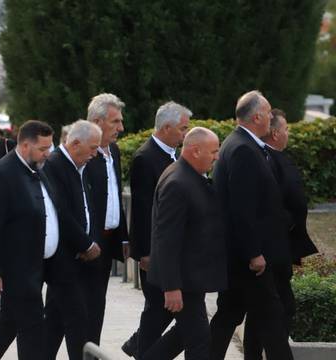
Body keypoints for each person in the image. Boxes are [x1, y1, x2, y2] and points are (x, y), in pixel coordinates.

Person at [209, 90, 294, 360]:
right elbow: (241, 209)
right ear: (257, 116)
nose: (271, 117)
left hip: (240, 257)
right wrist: (254, 253)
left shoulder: (240, 144)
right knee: (272, 318)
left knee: (228, 315)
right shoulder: (244, 150)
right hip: (249, 260)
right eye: (268, 112)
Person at [0, 120, 60, 360]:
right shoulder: (2, 174)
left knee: (8, 325)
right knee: (33, 328)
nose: (48, 154)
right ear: (25, 146)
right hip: (16, 268)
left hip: (36, 265)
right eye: (43, 149)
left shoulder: (36, 168)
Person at [141, 127, 227, 360]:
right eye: (213, 151)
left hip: (191, 278)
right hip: (182, 280)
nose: (217, 157)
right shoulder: (178, 182)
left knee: (186, 333)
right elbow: (166, 239)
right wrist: (171, 287)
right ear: (195, 151)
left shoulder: (190, 175)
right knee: (199, 339)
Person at [242, 109, 318, 359]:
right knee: (280, 309)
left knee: (260, 312)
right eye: (286, 129)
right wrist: (287, 223)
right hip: (273, 249)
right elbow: (270, 205)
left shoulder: (274, 157)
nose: (288, 133)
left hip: (281, 247)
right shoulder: (266, 160)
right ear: (275, 133)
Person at [122, 101, 192, 358]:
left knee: (161, 312)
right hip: (155, 254)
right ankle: (141, 349)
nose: (186, 134)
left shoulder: (173, 155)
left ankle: (138, 346)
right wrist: (145, 253)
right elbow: (142, 211)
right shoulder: (145, 157)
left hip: (172, 252)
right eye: (183, 129)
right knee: (158, 310)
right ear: (166, 127)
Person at [43, 120, 103, 360]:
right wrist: (85, 244)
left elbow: (89, 209)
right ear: (75, 143)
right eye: (92, 147)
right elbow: (60, 212)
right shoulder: (55, 165)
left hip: (81, 259)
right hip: (64, 259)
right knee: (77, 321)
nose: (95, 153)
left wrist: (92, 241)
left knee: (55, 322)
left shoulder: (80, 165)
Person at [83, 93, 130, 344]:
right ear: (98, 122)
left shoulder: (113, 150)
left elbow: (115, 195)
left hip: (107, 242)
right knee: (78, 310)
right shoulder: (80, 154)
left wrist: (123, 237)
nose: (121, 128)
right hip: (86, 245)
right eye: (115, 122)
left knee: (97, 307)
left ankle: (92, 351)